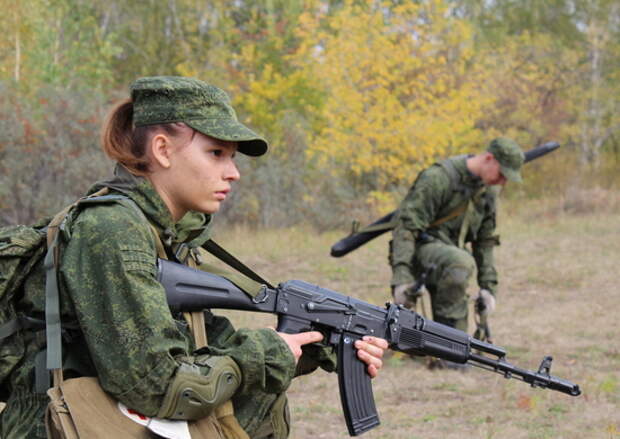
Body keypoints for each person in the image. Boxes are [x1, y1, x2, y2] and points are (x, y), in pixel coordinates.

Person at [0, 76, 388, 438]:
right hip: (54, 424)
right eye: (216, 153)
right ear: (162, 150)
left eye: (233, 157)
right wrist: (265, 354)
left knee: (260, 389)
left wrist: (318, 342)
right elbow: (155, 385)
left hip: (101, 416)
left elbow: (208, 349)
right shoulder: (112, 230)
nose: (233, 172)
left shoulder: (169, 236)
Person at [389, 138, 524, 348]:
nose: (503, 182)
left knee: (459, 261)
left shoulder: (487, 192)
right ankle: (446, 346)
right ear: (489, 159)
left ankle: (450, 347)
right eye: (501, 174)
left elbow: (485, 241)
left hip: (452, 256)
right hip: (418, 251)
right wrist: (402, 280)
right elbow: (406, 228)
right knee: (460, 261)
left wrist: (488, 289)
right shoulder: (438, 178)